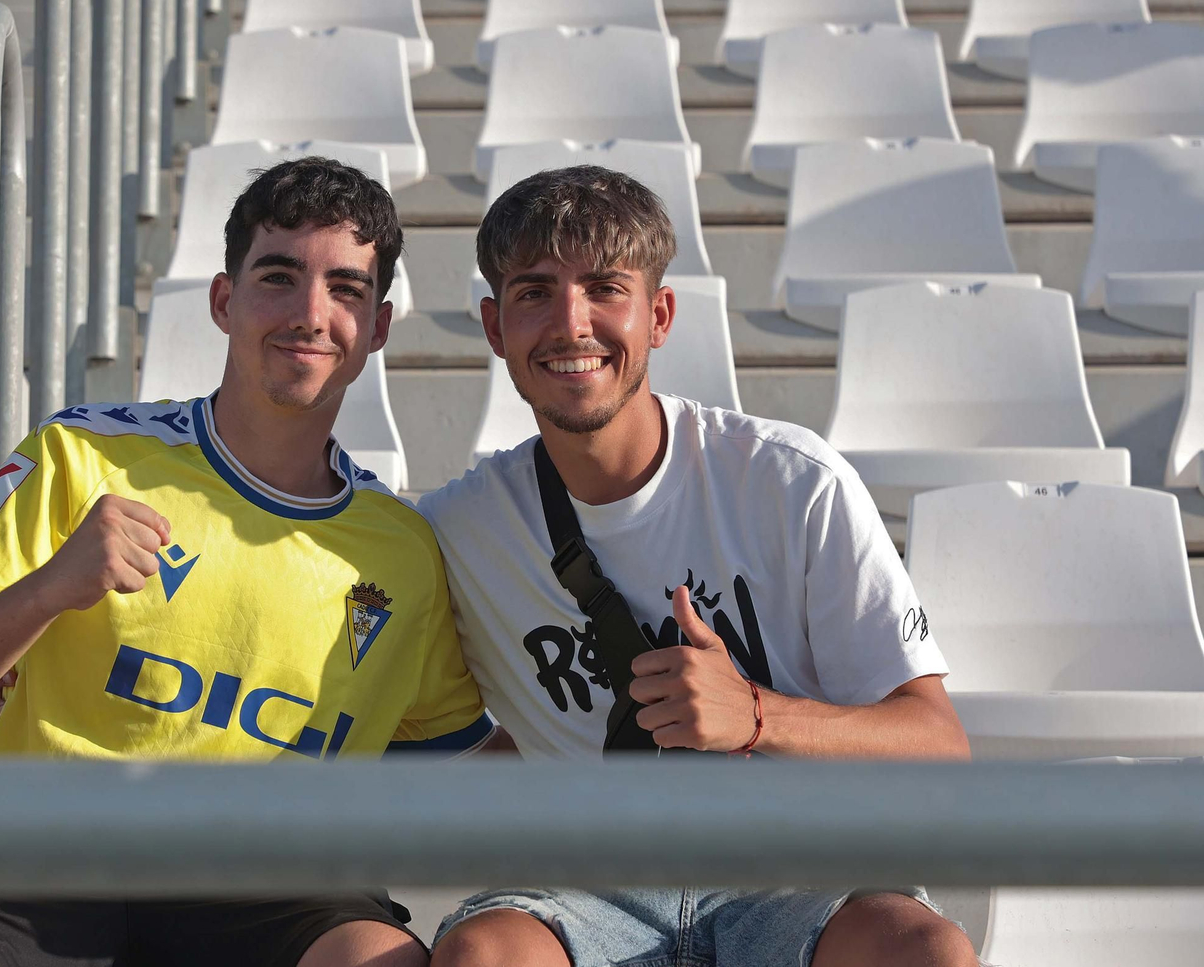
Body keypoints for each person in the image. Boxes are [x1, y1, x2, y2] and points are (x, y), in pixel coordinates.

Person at [0, 157, 493, 967]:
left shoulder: (403, 550)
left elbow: (476, 767)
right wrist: (50, 590)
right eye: (279, 277)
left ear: (379, 326)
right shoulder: (81, 453)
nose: (310, 314)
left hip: (282, 883)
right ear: (223, 300)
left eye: (345, 289)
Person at [417, 166, 978, 967]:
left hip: (796, 876)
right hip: (587, 886)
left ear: (659, 316)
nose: (571, 323)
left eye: (605, 288)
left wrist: (755, 714)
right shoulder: (458, 530)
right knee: (483, 956)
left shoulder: (792, 480)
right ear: (493, 325)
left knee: (926, 951)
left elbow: (940, 750)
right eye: (535, 292)